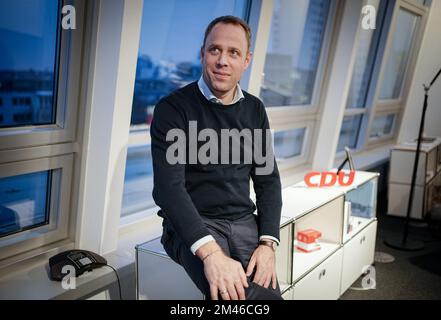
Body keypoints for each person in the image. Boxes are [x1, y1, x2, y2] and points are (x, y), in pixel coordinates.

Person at [151, 15, 283, 300]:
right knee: (233, 297)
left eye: (233, 52)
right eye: (215, 50)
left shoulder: (255, 109)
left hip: (243, 221)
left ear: (246, 61)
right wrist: (211, 253)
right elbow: (168, 189)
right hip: (193, 222)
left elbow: (268, 180)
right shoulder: (174, 110)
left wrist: (268, 243)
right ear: (203, 54)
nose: (223, 60)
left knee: (269, 299)